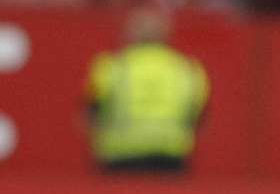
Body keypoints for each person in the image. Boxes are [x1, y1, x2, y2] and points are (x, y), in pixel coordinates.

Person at [85, 9, 209, 174]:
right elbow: (198, 120)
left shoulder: (110, 68)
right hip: (171, 162)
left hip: (120, 162)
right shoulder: (188, 70)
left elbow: (89, 116)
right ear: (166, 34)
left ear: (130, 34)